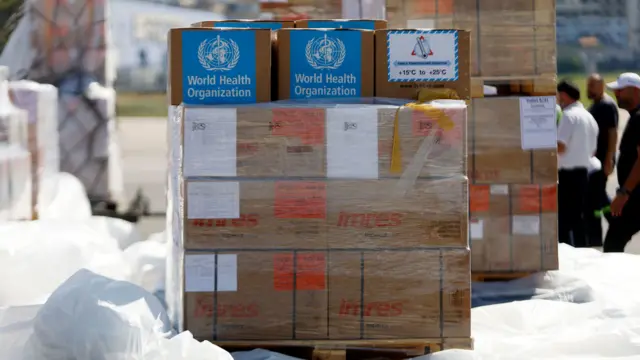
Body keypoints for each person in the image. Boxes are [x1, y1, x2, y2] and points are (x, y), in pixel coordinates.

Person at [556, 80, 599, 247]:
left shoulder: (568, 116)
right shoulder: (589, 117)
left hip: (567, 174)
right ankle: (582, 249)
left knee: (565, 220)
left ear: (564, 95)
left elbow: (560, 146)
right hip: (583, 173)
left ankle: (567, 251)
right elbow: (593, 150)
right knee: (578, 218)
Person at [603, 73, 640, 252]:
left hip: (635, 196)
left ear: (635, 90)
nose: (616, 94)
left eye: (620, 90)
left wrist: (624, 193)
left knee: (613, 244)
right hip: (634, 194)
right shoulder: (635, 117)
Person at [585, 74, 619, 246]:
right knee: (599, 194)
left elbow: (613, 132)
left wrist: (609, 158)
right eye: (588, 85)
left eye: (592, 85)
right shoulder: (596, 104)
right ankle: (614, 224)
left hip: (602, 159)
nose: (588, 88)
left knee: (596, 196)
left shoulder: (607, 105)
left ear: (602, 86)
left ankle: (611, 227)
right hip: (595, 160)